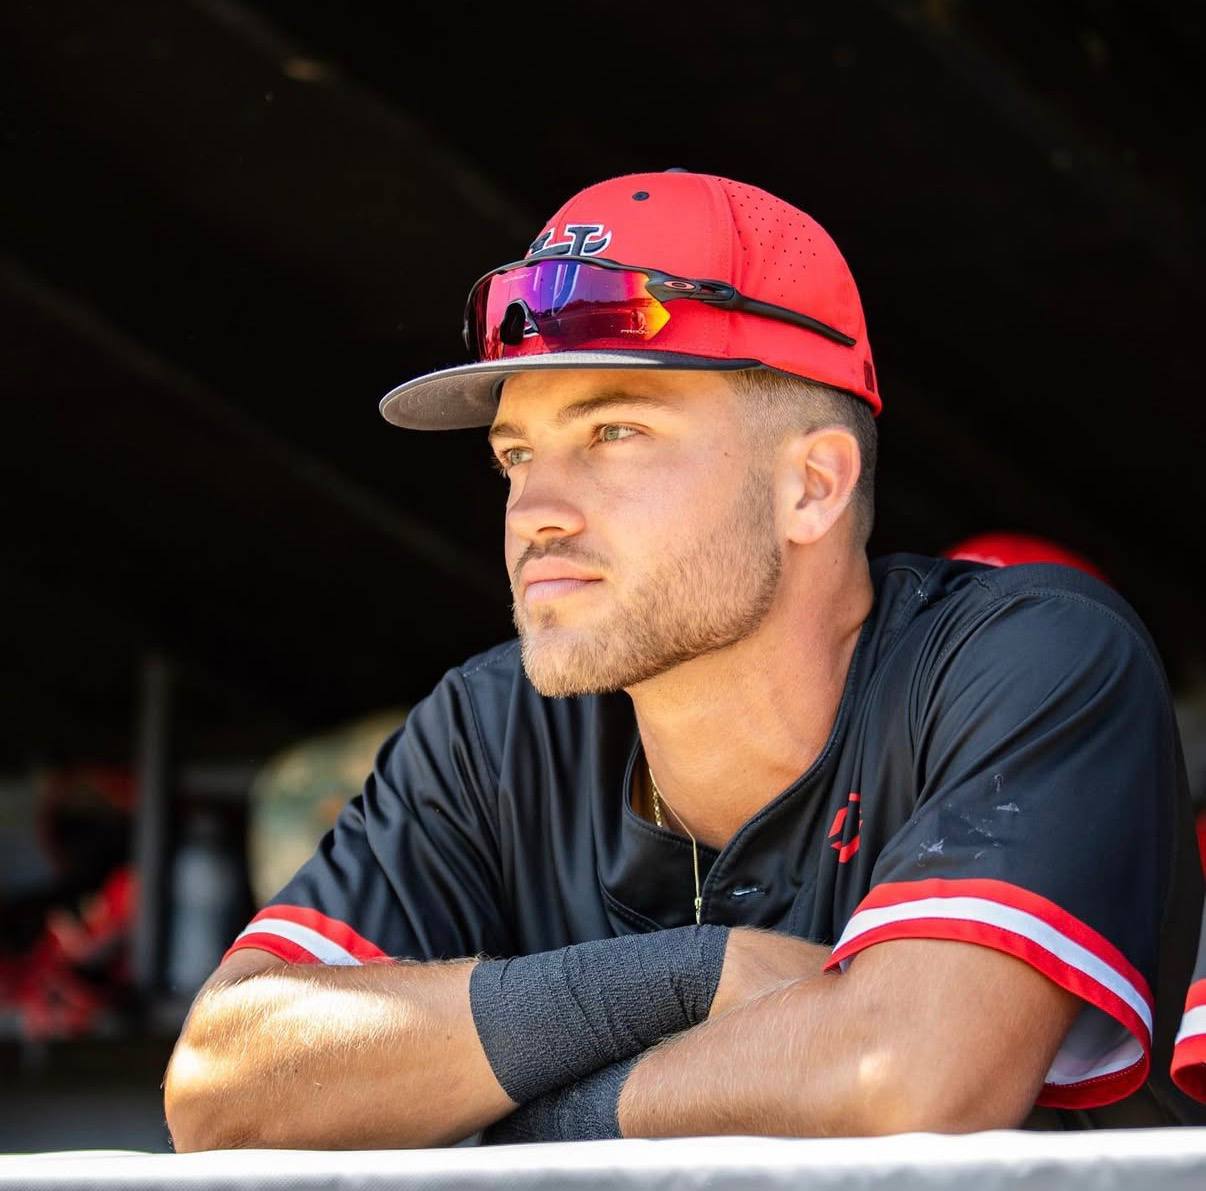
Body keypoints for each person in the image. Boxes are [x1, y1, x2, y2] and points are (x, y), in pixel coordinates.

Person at [163, 171, 1205, 1150]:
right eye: (517, 455)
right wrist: (688, 974)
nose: (536, 512)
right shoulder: (494, 727)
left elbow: (904, 1077)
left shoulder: (1029, 655)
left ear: (812, 486)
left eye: (614, 431)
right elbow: (222, 1084)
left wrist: (525, 1129)